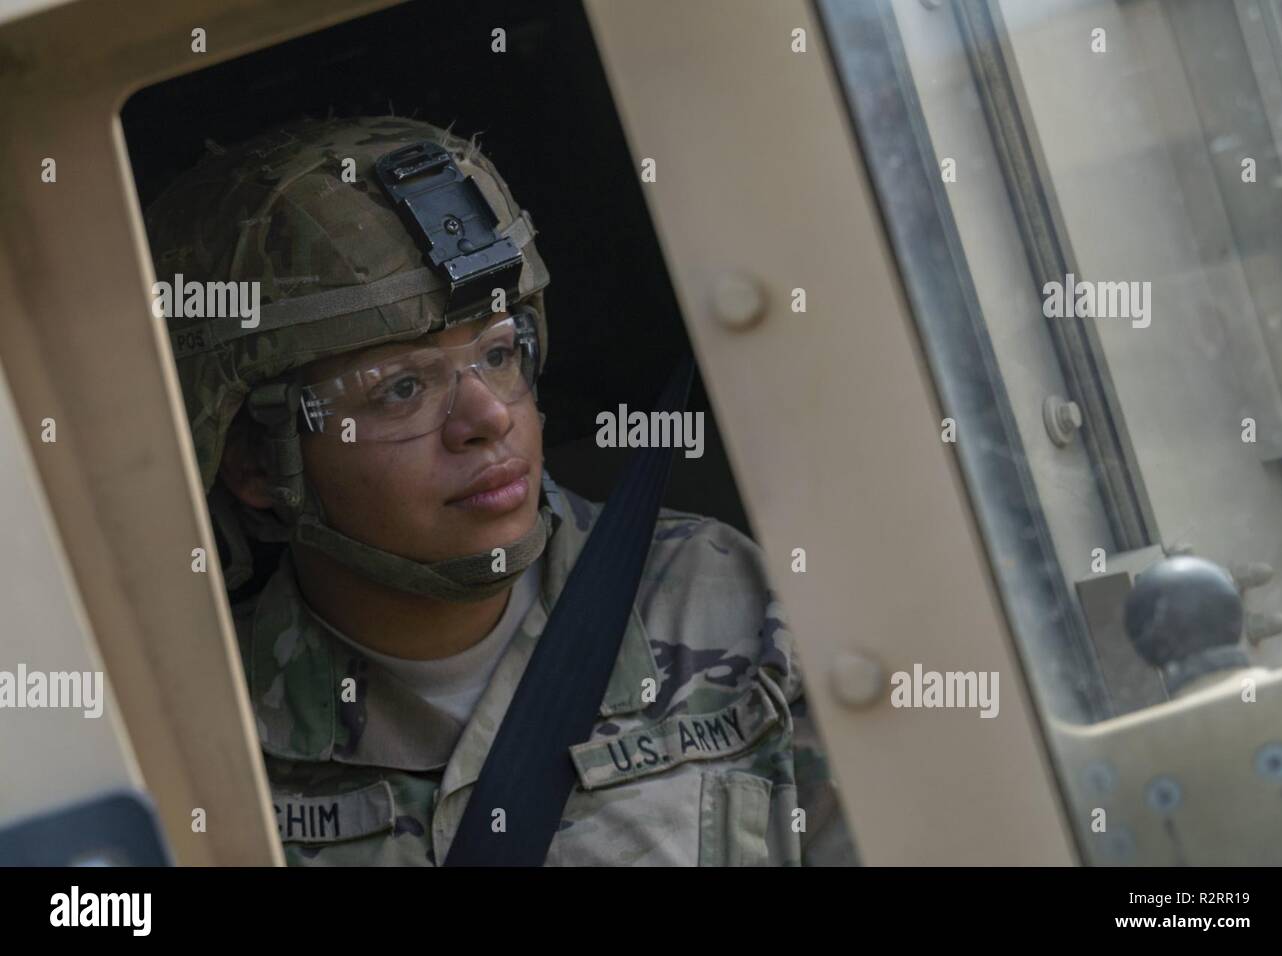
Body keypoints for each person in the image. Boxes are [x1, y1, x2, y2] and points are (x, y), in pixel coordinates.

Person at [146, 115, 859, 866]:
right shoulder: (195, 744)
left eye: (497, 352)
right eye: (399, 390)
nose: (488, 417)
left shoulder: (734, 603)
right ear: (259, 463)